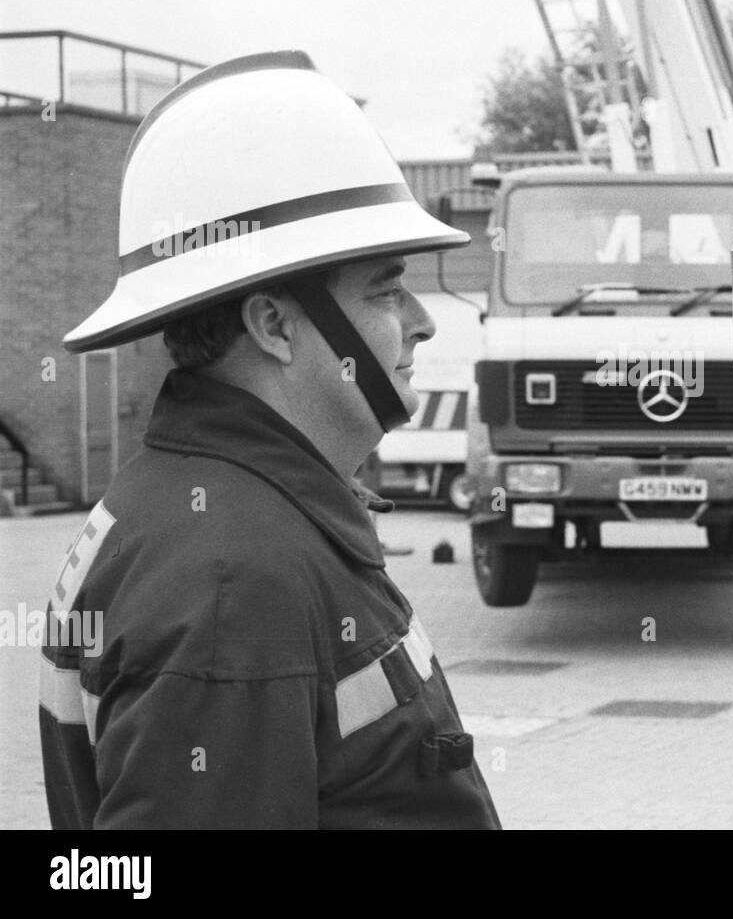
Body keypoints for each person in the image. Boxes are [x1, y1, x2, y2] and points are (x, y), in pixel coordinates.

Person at [41, 51, 500, 829]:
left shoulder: (234, 520)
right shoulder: (235, 580)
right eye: (387, 290)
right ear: (276, 325)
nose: (422, 322)